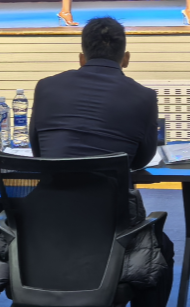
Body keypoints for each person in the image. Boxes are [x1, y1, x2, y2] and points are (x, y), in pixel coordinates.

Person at [29, 16, 173, 307]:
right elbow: (141, 158)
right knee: (162, 249)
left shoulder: (45, 87)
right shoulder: (144, 97)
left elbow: (38, 152)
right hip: (112, 232)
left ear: (81, 58)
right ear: (126, 58)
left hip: (45, 228)